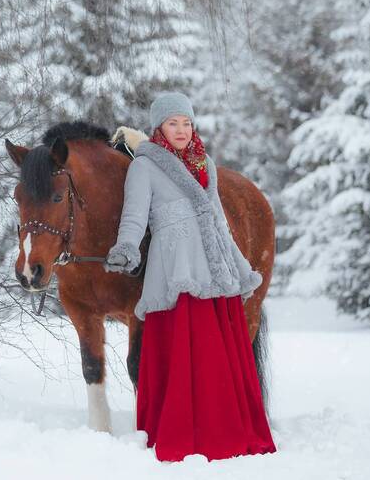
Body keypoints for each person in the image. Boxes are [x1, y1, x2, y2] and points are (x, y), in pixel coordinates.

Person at [103, 92, 277, 462]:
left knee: (217, 359)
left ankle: (224, 430)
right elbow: (134, 216)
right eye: (173, 123)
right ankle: (182, 431)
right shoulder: (145, 166)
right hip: (176, 267)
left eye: (186, 123)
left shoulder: (205, 164)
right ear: (159, 128)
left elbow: (217, 220)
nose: (181, 130)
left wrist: (239, 267)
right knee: (183, 353)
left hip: (214, 269)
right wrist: (127, 248)